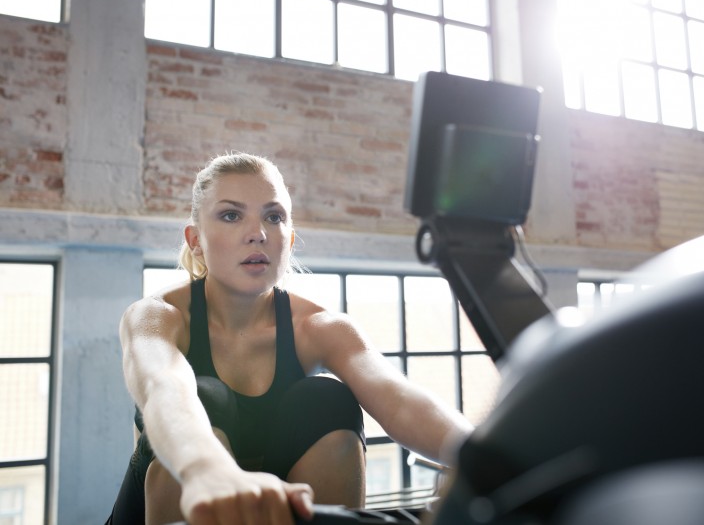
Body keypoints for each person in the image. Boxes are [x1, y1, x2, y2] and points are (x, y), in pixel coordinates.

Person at [106, 152, 474, 525]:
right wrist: (206, 470)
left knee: (326, 399)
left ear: (290, 238)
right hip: (166, 504)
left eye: (273, 216)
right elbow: (163, 387)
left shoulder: (318, 326)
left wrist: (493, 459)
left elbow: (399, 401)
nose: (258, 233)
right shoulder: (157, 316)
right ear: (195, 239)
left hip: (284, 510)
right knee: (205, 395)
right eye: (231, 215)